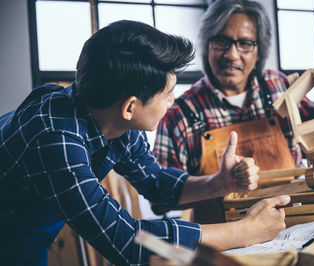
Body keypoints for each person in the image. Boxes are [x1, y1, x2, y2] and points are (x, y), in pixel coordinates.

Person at [0, 20, 290, 265]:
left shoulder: (115, 118)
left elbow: (157, 185)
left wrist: (219, 183)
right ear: (130, 107)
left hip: (29, 238)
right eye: (167, 93)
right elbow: (127, 242)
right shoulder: (54, 139)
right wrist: (246, 231)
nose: (172, 101)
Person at [153, 0, 314, 223]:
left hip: (295, 225)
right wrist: (218, 184)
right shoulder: (180, 113)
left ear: (259, 51)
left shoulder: (279, 87)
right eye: (221, 41)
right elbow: (160, 197)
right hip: (225, 246)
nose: (232, 55)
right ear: (207, 45)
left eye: (244, 43)